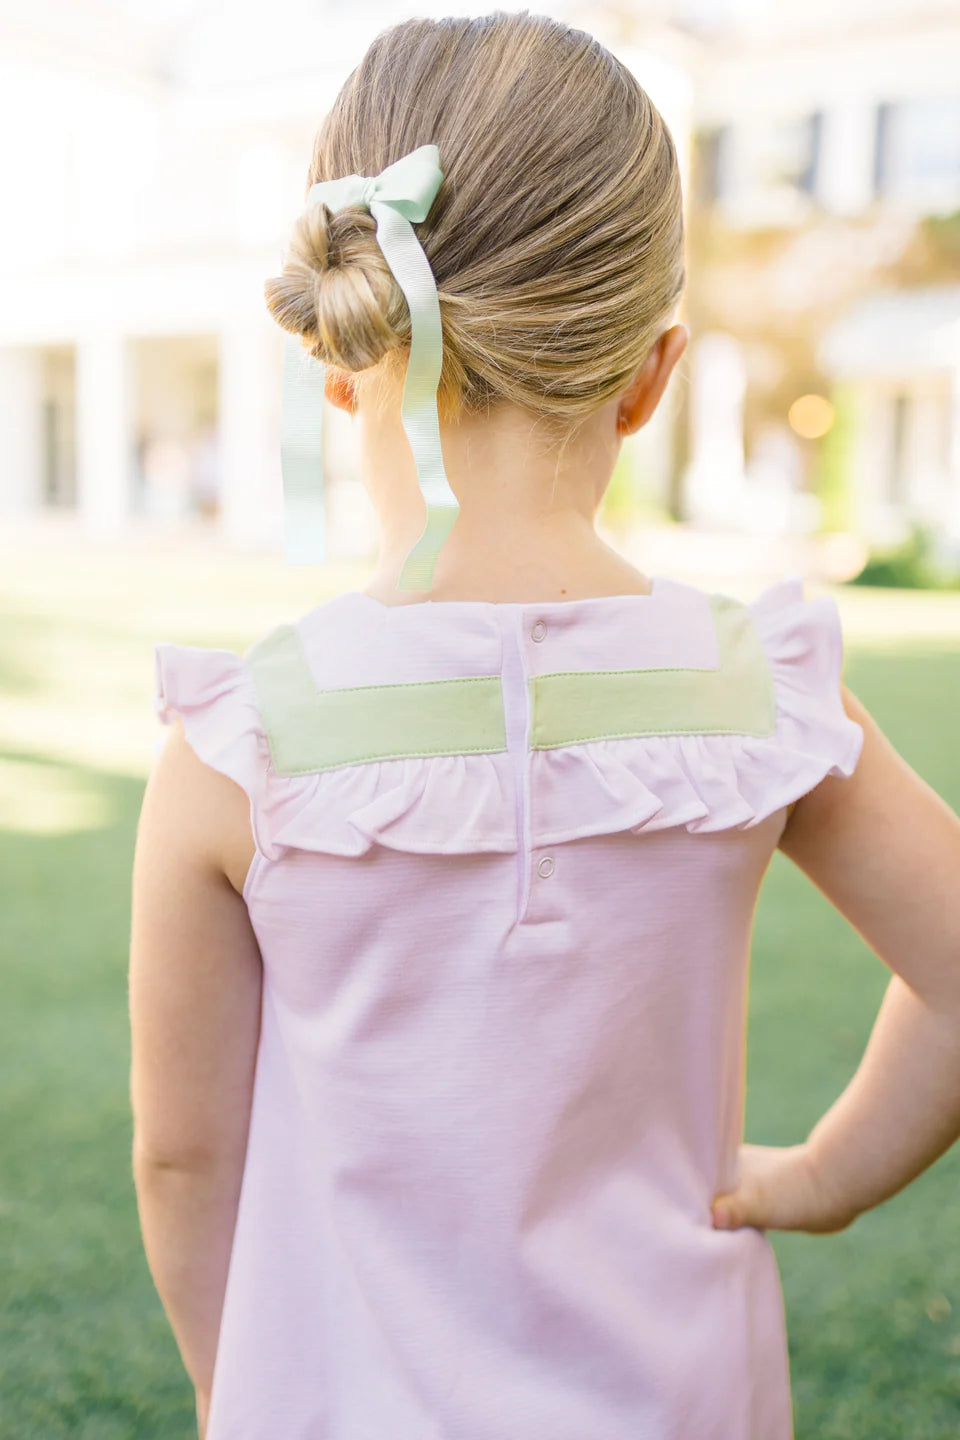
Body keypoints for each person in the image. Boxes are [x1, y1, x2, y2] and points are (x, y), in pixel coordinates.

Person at [128, 13, 960, 1440]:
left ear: (342, 358)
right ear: (652, 372)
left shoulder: (241, 743)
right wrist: (827, 1171)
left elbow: (184, 1159)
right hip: (681, 1398)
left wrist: (233, 1384)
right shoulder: (755, 688)